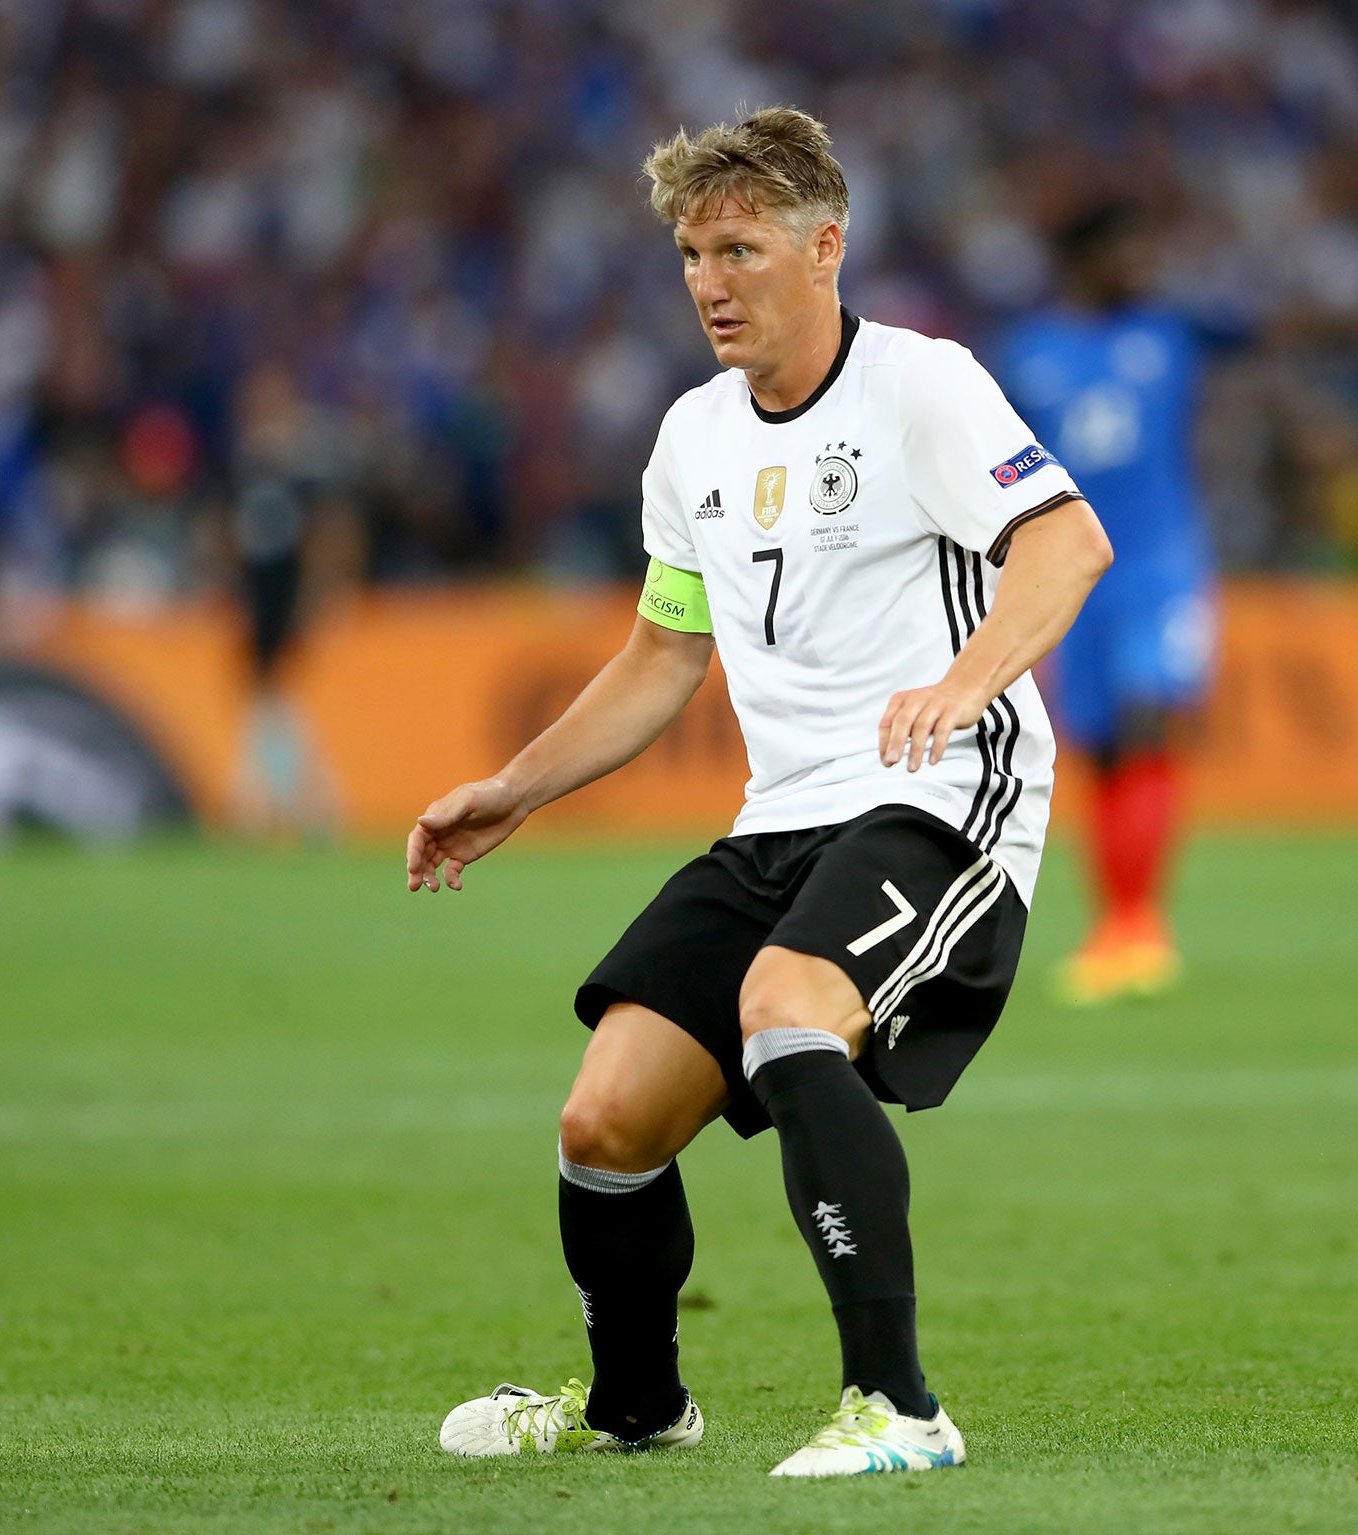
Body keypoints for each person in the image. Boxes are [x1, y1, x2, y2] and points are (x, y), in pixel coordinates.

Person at [406, 108, 1111, 1477]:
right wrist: (514, 787)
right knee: (604, 1119)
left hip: (940, 794)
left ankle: (900, 1406)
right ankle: (636, 1402)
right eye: (688, 253)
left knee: (789, 1009)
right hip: (777, 815)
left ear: (824, 246)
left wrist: (965, 686)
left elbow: (1066, 545)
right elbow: (664, 655)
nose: (709, 282)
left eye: (738, 247)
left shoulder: (922, 385)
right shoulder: (691, 439)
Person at [993, 202, 1217, 1004]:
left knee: (1148, 721)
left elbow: (1293, 325)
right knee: (1101, 749)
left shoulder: (1174, 333)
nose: (1143, 265)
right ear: (1085, 259)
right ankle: (1116, 927)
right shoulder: (1030, 353)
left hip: (1160, 569)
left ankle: (1141, 928)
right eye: (1127, 249)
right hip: (1074, 576)